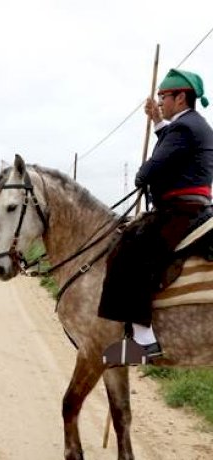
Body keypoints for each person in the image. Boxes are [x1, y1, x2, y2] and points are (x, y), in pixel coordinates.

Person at [98, 68, 213, 363]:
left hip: (180, 209)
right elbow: (174, 144)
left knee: (129, 253)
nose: (160, 102)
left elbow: (153, 166)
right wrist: (158, 122)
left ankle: (144, 341)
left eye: (164, 97)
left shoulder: (184, 128)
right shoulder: (191, 125)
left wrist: (141, 176)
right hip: (191, 204)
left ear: (180, 97)